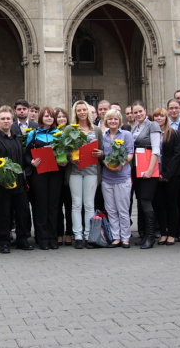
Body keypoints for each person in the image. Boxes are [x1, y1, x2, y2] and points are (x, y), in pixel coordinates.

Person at [0, 106, 33, 253]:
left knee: (22, 212)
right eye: (3, 119)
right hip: (1, 185)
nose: (6, 121)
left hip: (19, 183)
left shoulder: (17, 139)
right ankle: (4, 241)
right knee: (4, 213)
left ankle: (22, 240)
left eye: (8, 119)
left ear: (12, 121)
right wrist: (2, 176)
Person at [26, 107, 64, 250]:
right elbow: (27, 153)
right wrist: (31, 162)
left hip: (56, 173)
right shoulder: (34, 134)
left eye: (51, 116)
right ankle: (42, 238)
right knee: (41, 206)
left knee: (53, 206)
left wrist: (64, 160)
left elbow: (63, 152)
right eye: (46, 116)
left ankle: (53, 238)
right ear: (41, 118)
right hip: (39, 174)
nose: (49, 118)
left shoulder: (59, 134)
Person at [66, 101, 103, 249]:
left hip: (92, 171)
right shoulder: (70, 128)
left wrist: (101, 153)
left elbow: (102, 150)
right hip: (75, 171)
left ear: (88, 111)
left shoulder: (96, 130)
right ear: (75, 112)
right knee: (76, 204)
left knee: (89, 204)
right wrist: (70, 157)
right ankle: (78, 236)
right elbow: (64, 149)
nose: (82, 112)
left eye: (84, 110)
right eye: (78, 110)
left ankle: (89, 235)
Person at [100, 109, 134, 248]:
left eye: (115, 119)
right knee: (111, 210)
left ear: (119, 121)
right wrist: (106, 164)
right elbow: (101, 154)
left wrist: (122, 164)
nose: (113, 121)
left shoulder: (126, 135)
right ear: (106, 121)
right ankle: (115, 237)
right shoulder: (103, 136)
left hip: (122, 177)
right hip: (107, 178)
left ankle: (125, 237)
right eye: (110, 119)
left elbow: (131, 153)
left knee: (123, 209)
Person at [131, 100, 161, 249]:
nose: (138, 114)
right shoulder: (134, 127)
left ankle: (151, 236)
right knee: (141, 201)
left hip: (149, 168)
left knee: (147, 200)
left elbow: (156, 149)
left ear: (145, 110)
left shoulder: (153, 125)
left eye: (140, 111)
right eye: (135, 112)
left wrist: (150, 170)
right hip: (137, 168)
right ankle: (144, 236)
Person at [152, 107, 180, 245]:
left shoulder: (174, 134)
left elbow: (177, 155)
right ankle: (163, 233)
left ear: (166, 118)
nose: (159, 118)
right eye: (156, 116)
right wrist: (157, 173)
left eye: (161, 116)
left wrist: (166, 174)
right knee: (159, 205)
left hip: (172, 175)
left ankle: (172, 233)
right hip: (156, 175)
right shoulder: (152, 134)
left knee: (171, 204)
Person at [166, 98, 180, 242]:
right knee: (169, 202)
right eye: (171, 108)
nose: (174, 110)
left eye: (176, 108)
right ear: (168, 110)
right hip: (169, 171)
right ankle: (170, 229)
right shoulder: (163, 127)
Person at [53, 107, 73, 246]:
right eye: (58, 117)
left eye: (63, 117)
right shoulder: (53, 134)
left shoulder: (72, 133)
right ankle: (59, 233)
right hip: (57, 174)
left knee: (70, 205)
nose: (61, 119)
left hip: (70, 173)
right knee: (58, 206)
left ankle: (70, 233)